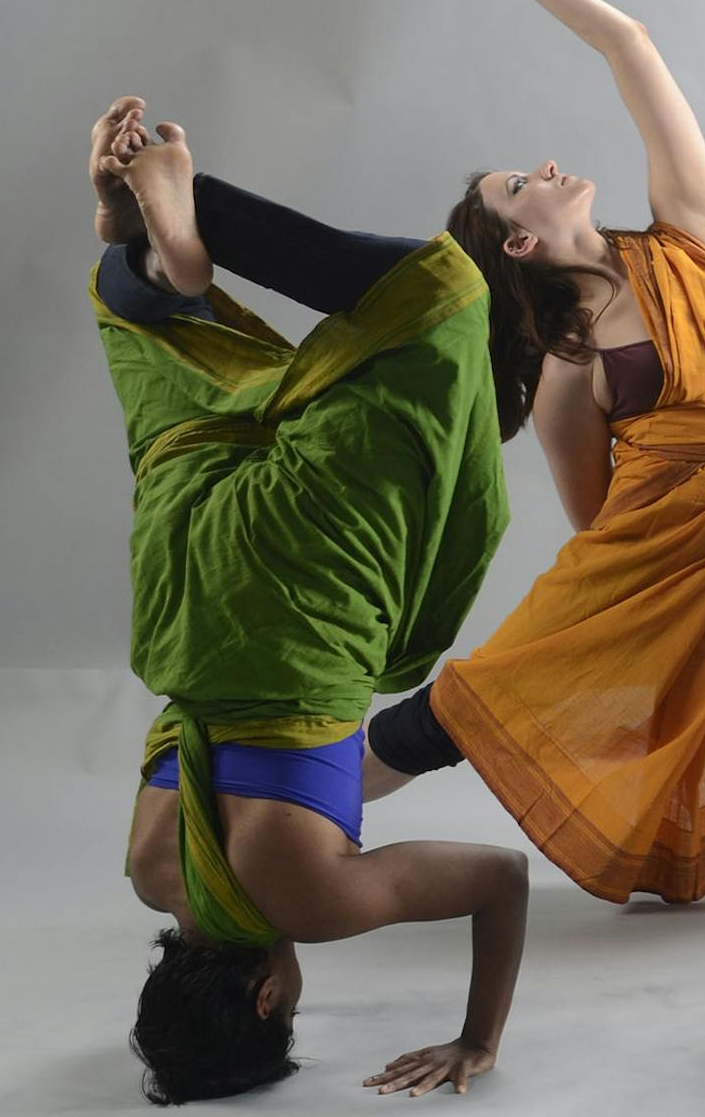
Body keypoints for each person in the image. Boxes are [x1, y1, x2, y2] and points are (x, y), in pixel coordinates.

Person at [355, 0, 705, 905]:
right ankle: (282, 801)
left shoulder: (697, 229)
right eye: (516, 186)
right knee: (469, 703)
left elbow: (629, 42)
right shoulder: (569, 368)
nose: (540, 167)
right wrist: (649, 622)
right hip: (665, 557)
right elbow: (599, 520)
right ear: (520, 246)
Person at [89, 98, 527, 1101]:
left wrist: (476, 1039)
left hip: (299, 596)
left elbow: (503, 876)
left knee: (442, 300)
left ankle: (195, 225)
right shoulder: (152, 870)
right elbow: (235, 837)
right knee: (155, 352)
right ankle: (146, 261)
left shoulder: (318, 899)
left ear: (264, 1000)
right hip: (188, 583)